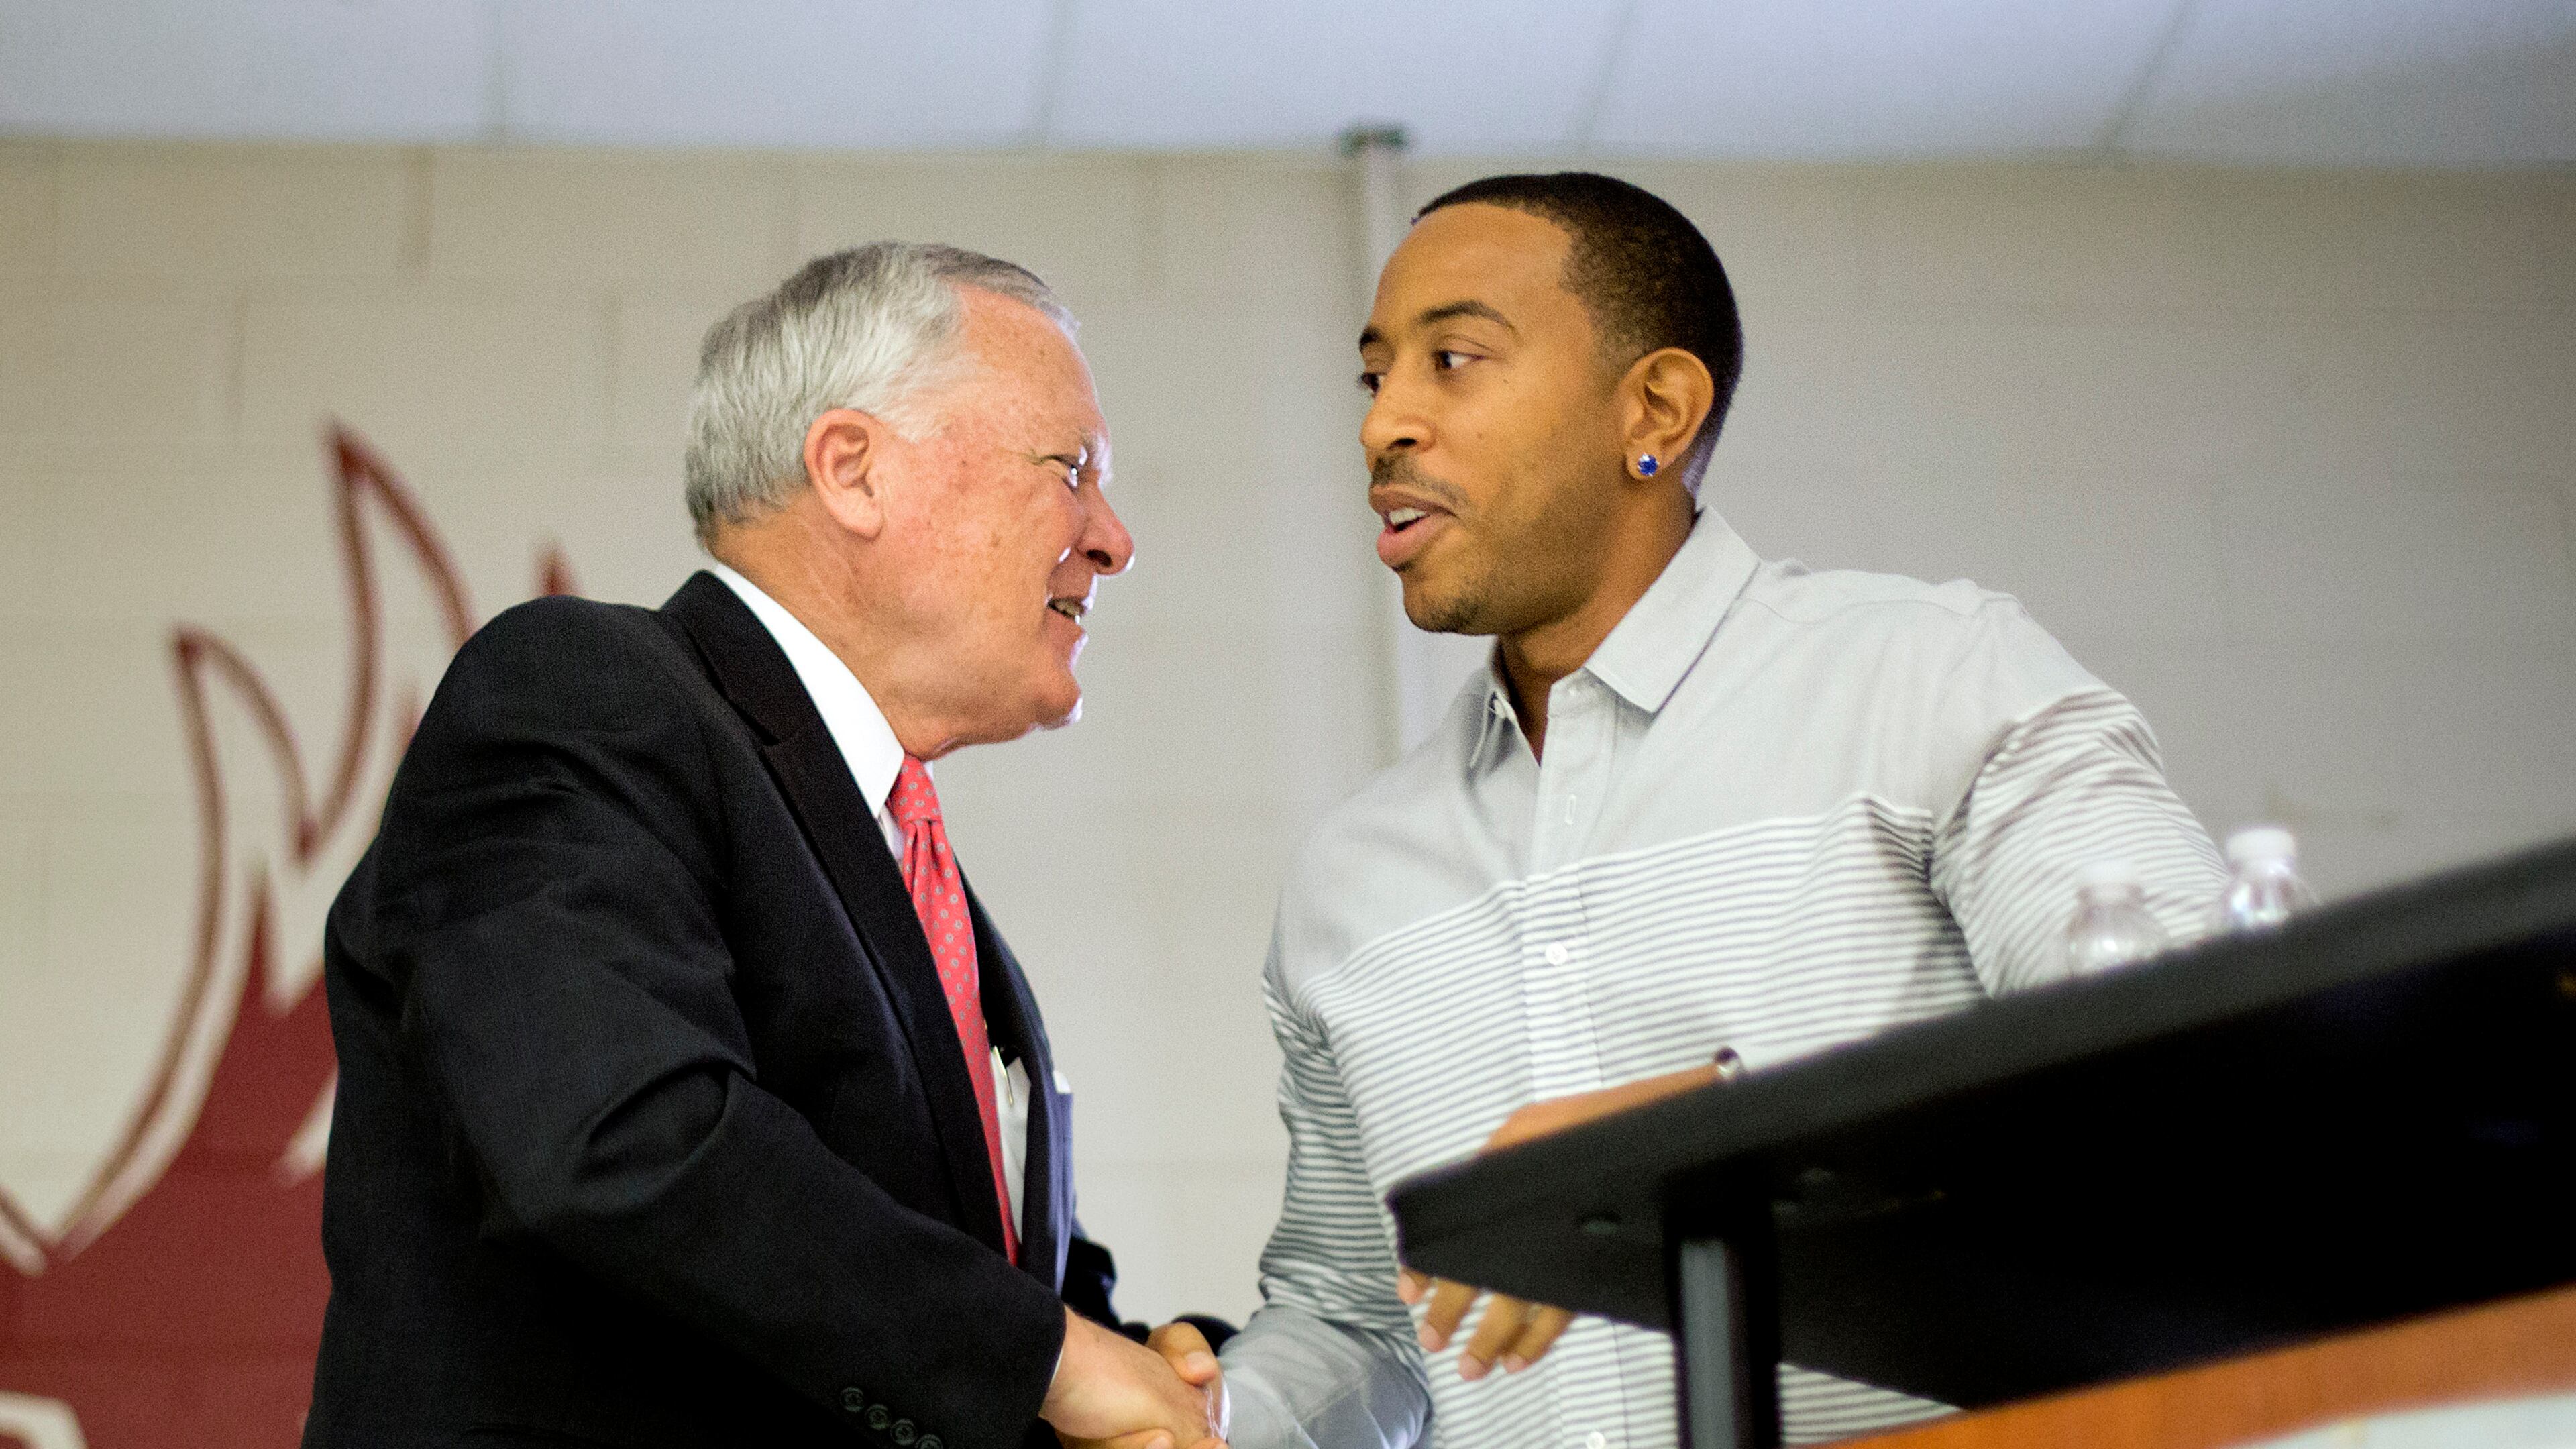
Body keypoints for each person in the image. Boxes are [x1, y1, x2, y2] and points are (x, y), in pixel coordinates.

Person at [1160, 173, 2229, 1448]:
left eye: (1454, 360)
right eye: (1375, 376)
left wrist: (1732, 1141)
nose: (1384, 422)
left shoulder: (1935, 679)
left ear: (1654, 410)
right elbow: (1366, 1325)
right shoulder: (1349, 878)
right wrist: (1208, 1420)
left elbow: (2198, 1071)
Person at [303, 244, 1226, 1449]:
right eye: (1072, 471)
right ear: (852, 471)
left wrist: (1148, 1360)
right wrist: (1050, 1359)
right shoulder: (583, 694)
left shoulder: (910, 867)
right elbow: (615, 1132)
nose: (1113, 538)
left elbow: (957, 1289)